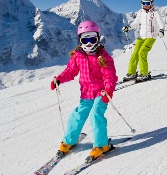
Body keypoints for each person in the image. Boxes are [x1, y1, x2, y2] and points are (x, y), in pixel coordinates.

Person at [50, 20, 118, 162]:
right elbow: (71, 71)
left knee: (95, 115)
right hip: (86, 93)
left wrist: (109, 90)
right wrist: (59, 79)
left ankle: (102, 146)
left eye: (92, 39)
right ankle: (69, 141)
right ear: (79, 40)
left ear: (98, 38)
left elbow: (109, 75)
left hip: (101, 93)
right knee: (77, 116)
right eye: (85, 39)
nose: (88, 43)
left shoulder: (103, 56)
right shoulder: (77, 55)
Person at [121, 0, 165, 81]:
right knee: (134, 54)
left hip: (151, 37)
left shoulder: (155, 12)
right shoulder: (141, 12)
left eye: (147, 3)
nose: (146, 5)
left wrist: (161, 30)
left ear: (151, 3)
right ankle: (132, 73)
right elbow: (136, 22)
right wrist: (128, 27)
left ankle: (144, 73)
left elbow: (161, 22)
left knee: (142, 52)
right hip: (141, 37)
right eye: (144, 3)